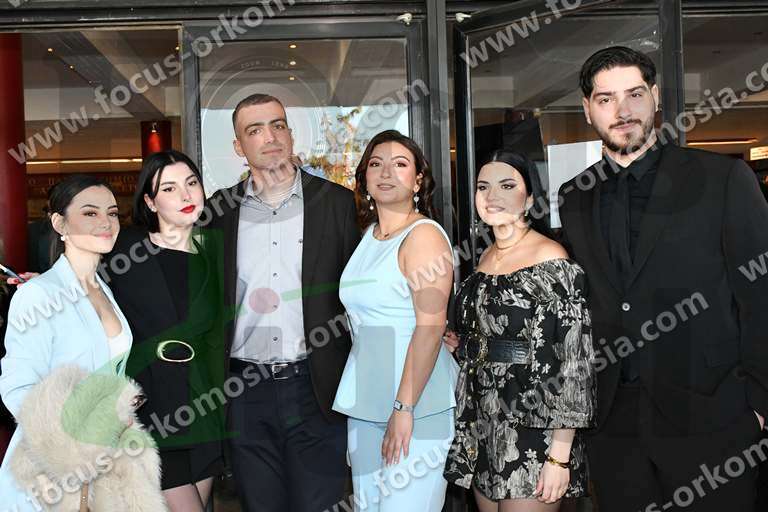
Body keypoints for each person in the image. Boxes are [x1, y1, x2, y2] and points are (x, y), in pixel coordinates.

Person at [557, 46, 768, 511]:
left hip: (713, 417)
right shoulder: (574, 198)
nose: (623, 110)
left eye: (634, 94)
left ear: (655, 97)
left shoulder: (722, 179)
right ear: (588, 110)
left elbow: (761, 297)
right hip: (614, 424)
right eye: (606, 99)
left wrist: (758, 408)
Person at [207, 93, 361, 511]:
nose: (270, 137)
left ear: (291, 134)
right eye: (254, 130)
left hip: (316, 386)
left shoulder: (336, 203)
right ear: (239, 147)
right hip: (245, 392)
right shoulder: (218, 212)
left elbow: (361, 293)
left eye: (277, 125)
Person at [443, 150, 596, 511]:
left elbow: (574, 362)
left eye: (507, 186)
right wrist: (464, 345)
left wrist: (559, 456)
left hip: (535, 424)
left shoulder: (550, 258)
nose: (492, 195)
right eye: (483, 187)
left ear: (529, 199)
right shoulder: (483, 258)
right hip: (484, 420)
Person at [332, 130, 458, 511]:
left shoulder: (424, 236)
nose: (386, 172)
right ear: (365, 178)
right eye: (376, 164)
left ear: (418, 181)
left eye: (400, 164)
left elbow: (430, 328)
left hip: (417, 403)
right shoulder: (369, 236)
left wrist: (404, 409)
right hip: (366, 401)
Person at [0, 175, 135, 509]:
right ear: (59, 223)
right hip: (51, 473)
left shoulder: (106, 289)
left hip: (107, 463)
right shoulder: (38, 294)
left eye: (112, 213)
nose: (106, 222)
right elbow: (17, 389)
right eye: (90, 213)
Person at [104, 150, 226, 511]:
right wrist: (47, 286)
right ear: (150, 201)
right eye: (169, 189)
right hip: (150, 408)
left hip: (204, 405)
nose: (186, 195)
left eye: (191, 183)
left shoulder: (216, 251)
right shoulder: (126, 248)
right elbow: (85, 286)